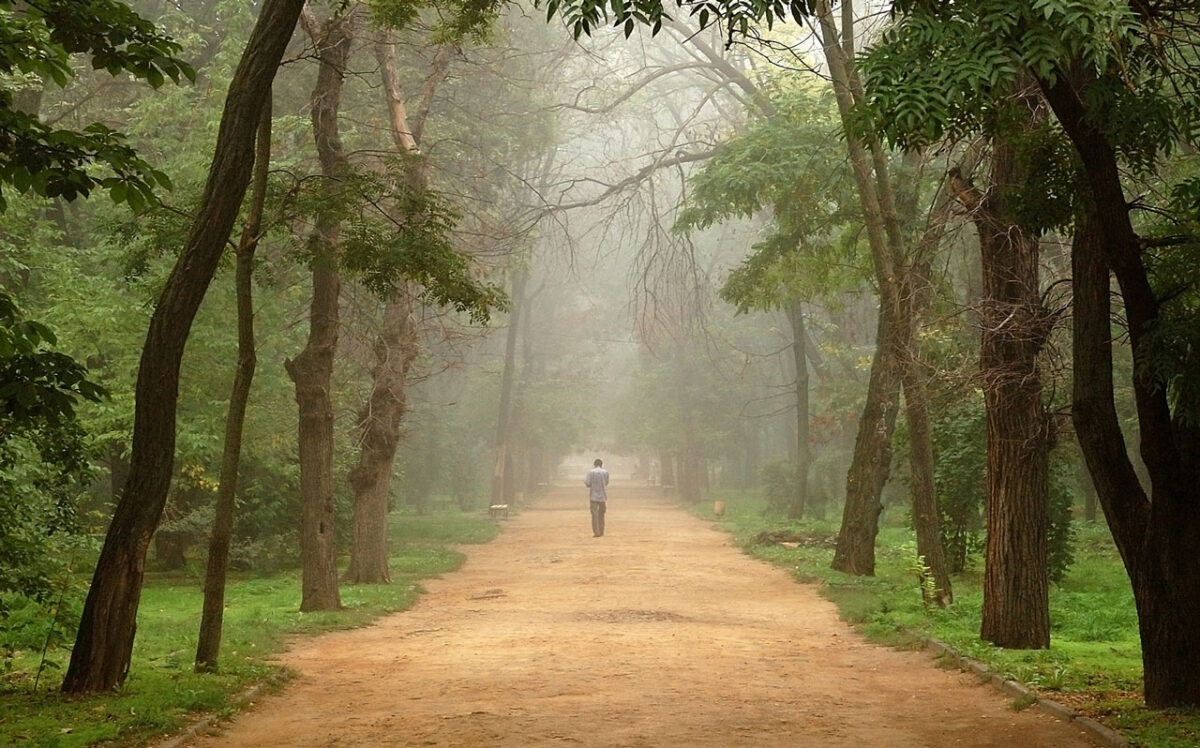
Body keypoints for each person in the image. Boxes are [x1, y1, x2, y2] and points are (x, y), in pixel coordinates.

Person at [584, 458, 610, 537]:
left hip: (593, 496)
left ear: (594, 464)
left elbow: (588, 483)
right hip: (602, 496)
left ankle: (596, 532)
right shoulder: (606, 472)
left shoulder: (590, 472)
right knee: (601, 514)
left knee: (594, 515)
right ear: (601, 465)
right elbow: (606, 482)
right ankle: (602, 531)